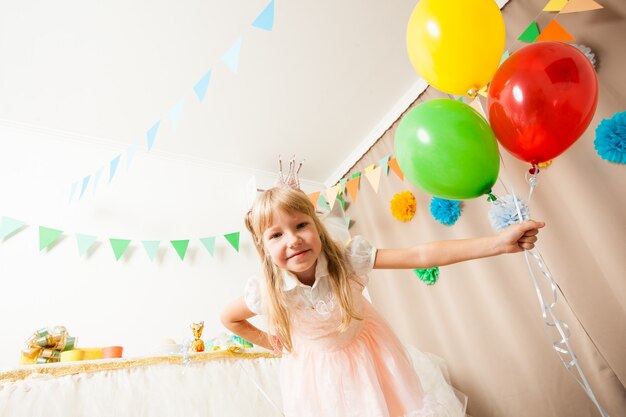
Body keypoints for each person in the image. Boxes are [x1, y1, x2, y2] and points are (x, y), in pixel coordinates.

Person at [221, 186, 544, 417]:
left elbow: (419, 255)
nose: (293, 240)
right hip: (318, 380)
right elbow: (229, 318)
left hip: (373, 358)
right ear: (263, 247)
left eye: (300, 225)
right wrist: (277, 345)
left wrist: (497, 244)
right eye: (276, 235)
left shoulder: (347, 261)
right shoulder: (268, 291)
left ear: (316, 227)